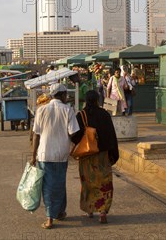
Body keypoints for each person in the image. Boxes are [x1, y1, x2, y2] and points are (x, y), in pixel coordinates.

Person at [30, 83, 80, 230]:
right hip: (61, 154)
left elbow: (36, 135)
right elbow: (73, 132)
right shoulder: (67, 110)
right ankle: (51, 217)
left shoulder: (41, 110)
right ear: (63, 95)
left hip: (44, 154)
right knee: (58, 183)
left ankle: (57, 212)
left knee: (48, 186)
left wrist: (33, 156)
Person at [71, 90, 119, 224]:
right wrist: (112, 154)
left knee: (88, 182)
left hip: (86, 155)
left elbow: (75, 136)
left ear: (86, 100)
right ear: (98, 100)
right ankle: (103, 212)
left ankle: (90, 210)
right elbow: (111, 136)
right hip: (102, 155)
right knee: (103, 182)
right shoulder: (104, 114)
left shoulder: (81, 115)